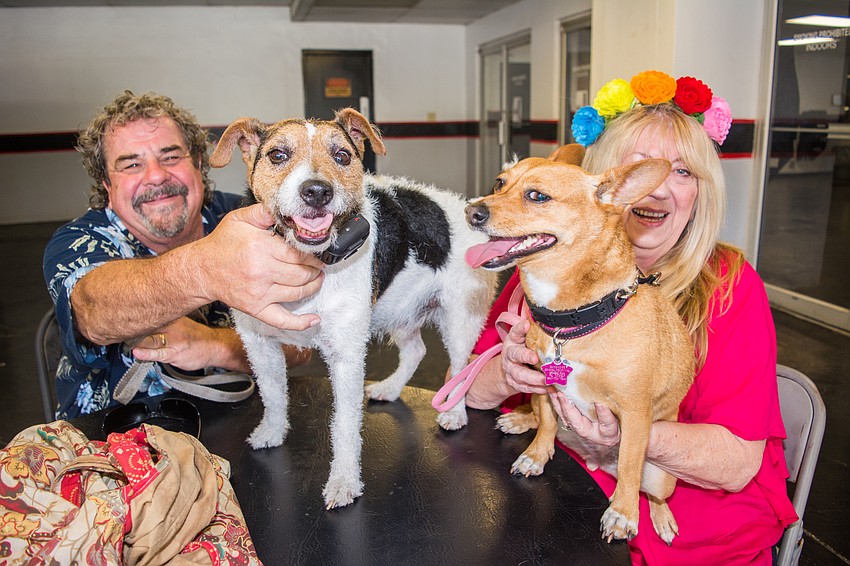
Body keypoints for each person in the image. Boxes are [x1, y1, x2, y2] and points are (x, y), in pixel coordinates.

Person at [462, 71, 797, 564]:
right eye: (640, 168)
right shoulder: (539, 261)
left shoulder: (728, 284)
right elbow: (464, 390)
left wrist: (623, 436)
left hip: (690, 523)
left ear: (700, 192)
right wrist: (504, 371)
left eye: (682, 173)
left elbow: (736, 465)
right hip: (554, 498)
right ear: (604, 183)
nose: (658, 190)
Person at [44, 91, 323, 419]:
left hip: (249, 423)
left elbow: (302, 345)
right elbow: (94, 313)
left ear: (199, 163)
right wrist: (207, 270)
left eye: (171, 156)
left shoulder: (248, 215)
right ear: (107, 184)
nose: (156, 176)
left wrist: (211, 345)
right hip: (115, 437)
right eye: (131, 164)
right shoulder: (80, 240)